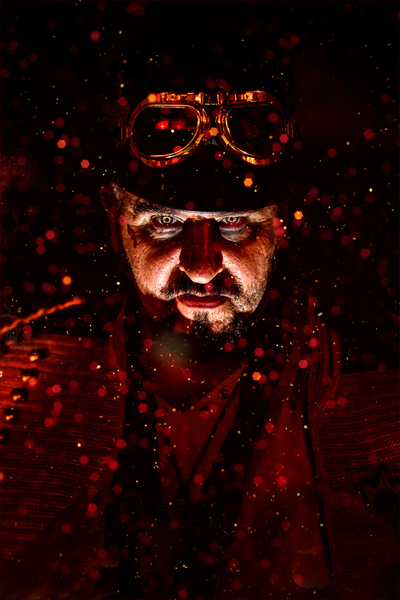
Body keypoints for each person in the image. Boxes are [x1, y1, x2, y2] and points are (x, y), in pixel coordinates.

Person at [0, 7, 398, 600]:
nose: (201, 265)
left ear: (282, 227)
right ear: (116, 219)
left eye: (234, 225)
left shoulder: (382, 384)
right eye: (164, 224)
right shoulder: (16, 377)